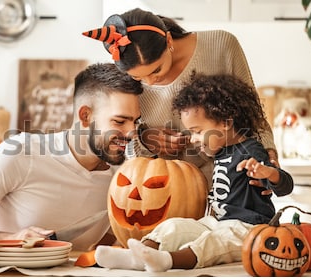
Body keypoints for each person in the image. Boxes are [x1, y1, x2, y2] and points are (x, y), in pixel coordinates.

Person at [94, 73, 294, 272]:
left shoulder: (251, 150)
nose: (193, 139)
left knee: (212, 242)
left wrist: (267, 173)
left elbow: (285, 185)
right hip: (217, 223)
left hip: (250, 229)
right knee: (175, 226)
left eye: (197, 131)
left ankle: (168, 261)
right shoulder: (222, 150)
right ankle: (137, 256)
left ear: (225, 123)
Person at [0, 63, 143, 252]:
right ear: (85, 116)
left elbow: (95, 251)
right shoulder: (20, 152)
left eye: (135, 122)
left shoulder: (124, 178)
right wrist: (12, 238)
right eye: (119, 121)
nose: (131, 132)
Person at [82, 8, 278, 188]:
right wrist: (144, 140)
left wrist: (268, 156)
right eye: (138, 77)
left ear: (168, 41)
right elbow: (122, 148)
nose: (149, 82)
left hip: (231, 185)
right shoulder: (122, 82)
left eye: (156, 69)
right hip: (164, 191)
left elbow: (253, 115)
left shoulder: (221, 45)